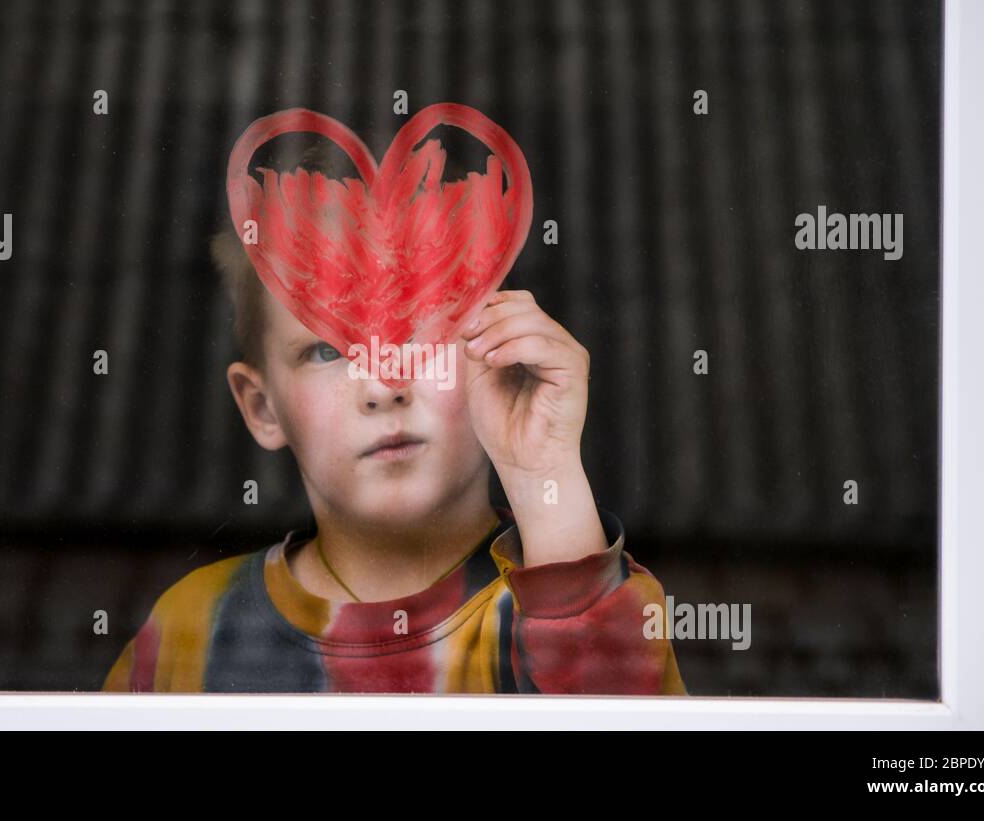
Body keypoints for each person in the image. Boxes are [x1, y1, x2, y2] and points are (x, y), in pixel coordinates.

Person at [102, 139, 687, 695]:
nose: (384, 384)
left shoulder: (558, 598)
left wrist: (545, 476)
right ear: (262, 407)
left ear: (499, 346)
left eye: (422, 333)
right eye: (328, 351)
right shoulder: (195, 628)